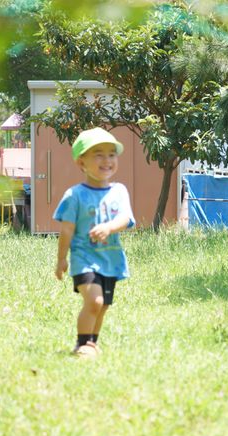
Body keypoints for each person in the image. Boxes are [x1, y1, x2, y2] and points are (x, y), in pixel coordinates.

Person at [54, 127, 135, 358]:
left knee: (104, 305)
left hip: (111, 259)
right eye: (98, 154)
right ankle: (81, 344)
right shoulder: (75, 195)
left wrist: (109, 227)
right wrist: (61, 259)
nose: (107, 159)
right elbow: (67, 229)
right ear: (82, 163)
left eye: (111, 154)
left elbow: (126, 218)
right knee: (95, 301)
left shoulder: (119, 191)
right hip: (83, 259)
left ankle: (92, 342)